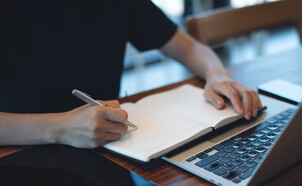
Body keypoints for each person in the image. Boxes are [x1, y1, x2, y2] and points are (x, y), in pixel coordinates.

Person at [0, 0, 262, 149]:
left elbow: (189, 47)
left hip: (113, 146)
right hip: (21, 153)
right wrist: (60, 128)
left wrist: (216, 73)